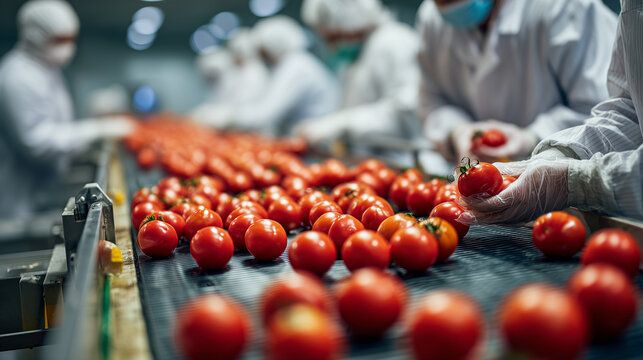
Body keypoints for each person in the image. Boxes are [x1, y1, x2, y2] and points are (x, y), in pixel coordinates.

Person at [459, 0, 643, 223]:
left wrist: (576, 182)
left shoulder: (567, 7)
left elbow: (590, 102)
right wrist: (561, 155)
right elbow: (627, 109)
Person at [417, 0, 618, 163]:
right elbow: (431, 100)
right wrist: (457, 130)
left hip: (564, 185)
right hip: (476, 183)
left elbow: (607, 111)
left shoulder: (565, 8)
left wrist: (532, 138)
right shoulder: (432, 19)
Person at [0, 0, 132, 219]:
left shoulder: (47, 70)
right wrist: (95, 130)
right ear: (35, 36)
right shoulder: (17, 76)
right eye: (59, 40)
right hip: (19, 201)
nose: (68, 47)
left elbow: (58, 125)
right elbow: (36, 143)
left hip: (45, 188)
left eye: (71, 39)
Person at [295, 0, 421, 145]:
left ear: (352, 23)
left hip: (406, 157)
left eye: (334, 37)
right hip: (372, 159)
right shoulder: (356, 56)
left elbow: (406, 112)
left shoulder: (394, 41)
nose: (331, 47)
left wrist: (341, 124)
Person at [197, 16, 339, 136]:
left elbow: (266, 114)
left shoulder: (296, 67)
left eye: (263, 52)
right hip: (301, 137)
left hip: (313, 138)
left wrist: (228, 117)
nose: (262, 58)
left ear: (274, 45)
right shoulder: (289, 65)